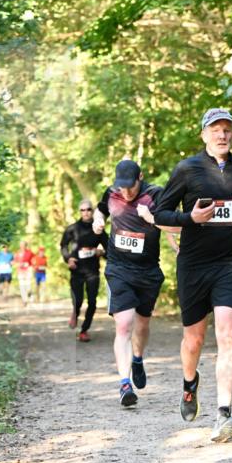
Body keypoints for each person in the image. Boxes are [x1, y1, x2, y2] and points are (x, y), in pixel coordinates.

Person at [152, 107, 232, 442]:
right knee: (194, 340)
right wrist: (191, 221)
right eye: (216, 129)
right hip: (193, 265)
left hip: (229, 263)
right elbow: (160, 215)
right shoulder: (187, 169)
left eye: (228, 129)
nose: (223, 135)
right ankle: (189, 384)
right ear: (204, 135)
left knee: (228, 335)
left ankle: (224, 414)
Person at [93, 160, 179, 407]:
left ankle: (138, 358)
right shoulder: (111, 193)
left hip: (148, 271)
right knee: (124, 324)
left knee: (142, 324)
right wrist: (98, 221)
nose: (126, 192)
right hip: (118, 269)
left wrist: (151, 217)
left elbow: (174, 224)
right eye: (122, 188)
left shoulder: (156, 194)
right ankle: (124, 383)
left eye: (130, 187)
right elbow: (101, 209)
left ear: (140, 177)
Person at [60, 200, 108, 342]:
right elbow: (63, 245)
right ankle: (75, 312)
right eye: (83, 210)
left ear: (92, 211)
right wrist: (68, 258)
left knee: (92, 302)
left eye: (88, 209)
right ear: (79, 212)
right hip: (77, 271)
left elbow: (109, 249)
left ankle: (84, 330)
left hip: (92, 270)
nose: (86, 212)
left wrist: (101, 252)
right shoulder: (73, 229)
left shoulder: (98, 229)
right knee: (78, 300)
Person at [13, 240, 33, 305]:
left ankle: (29, 293)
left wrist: (30, 266)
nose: (22, 246)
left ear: (25, 246)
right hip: (20, 271)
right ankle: (25, 300)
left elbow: (34, 260)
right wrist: (17, 264)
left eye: (23, 245)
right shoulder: (17, 253)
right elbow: (14, 262)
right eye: (21, 245)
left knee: (28, 285)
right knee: (22, 285)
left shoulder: (29, 252)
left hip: (28, 270)